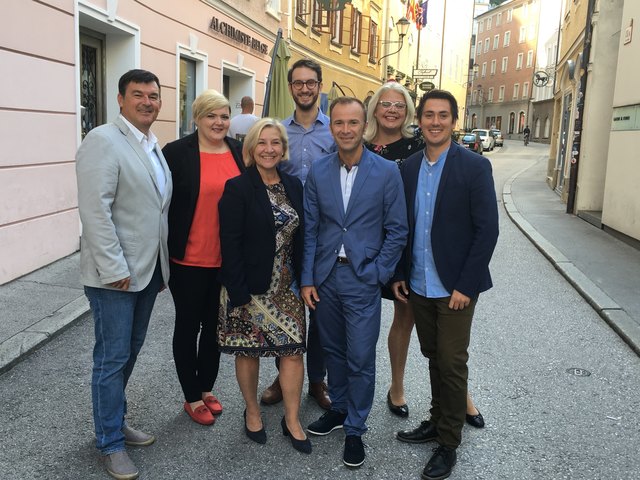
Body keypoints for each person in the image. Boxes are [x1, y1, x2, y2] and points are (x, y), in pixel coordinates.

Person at [391, 90, 499, 480]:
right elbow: (403, 227)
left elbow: (487, 230)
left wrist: (466, 285)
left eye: (443, 115)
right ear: (419, 120)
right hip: (418, 283)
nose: (435, 122)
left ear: (454, 121)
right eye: (428, 115)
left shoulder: (473, 167)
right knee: (434, 355)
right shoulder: (409, 167)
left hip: (456, 287)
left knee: (452, 362)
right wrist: (400, 274)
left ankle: (449, 443)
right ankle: (437, 420)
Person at [364, 82, 485, 427]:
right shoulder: (359, 144)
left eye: (399, 105)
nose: (391, 110)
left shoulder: (421, 145)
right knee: (396, 325)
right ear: (374, 108)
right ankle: (398, 388)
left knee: (439, 340)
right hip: (378, 247)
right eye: (385, 104)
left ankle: (459, 398)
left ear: (408, 114)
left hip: (416, 251)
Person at [76, 69, 172, 480]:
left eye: (153, 96)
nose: (147, 102)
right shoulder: (102, 140)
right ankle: (110, 442)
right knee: (111, 358)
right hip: (115, 275)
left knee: (128, 353)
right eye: (138, 95)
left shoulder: (151, 144)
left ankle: (112, 421)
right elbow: (95, 211)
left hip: (149, 271)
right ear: (120, 99)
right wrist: (114, 268)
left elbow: (153, 207)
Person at [302, 97, 408, 468]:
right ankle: (340, 410)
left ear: (364, 127)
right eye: (338, 123)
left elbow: (397, 230)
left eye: (352, 123)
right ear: (331, 127)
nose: (345, 130)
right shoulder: (318, 171)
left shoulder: (385, 171)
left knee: (361, 355)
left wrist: (378, 273)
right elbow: (311, 229)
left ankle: (356, 429)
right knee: (333, 350)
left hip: (362, 277)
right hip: (326, 277)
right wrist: (307, 279)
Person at [217, 118, 311, 454]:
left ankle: (292, 418)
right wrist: (238, 291)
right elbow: (229, 243)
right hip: (248, 286)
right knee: (247, 351)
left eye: (275, 143)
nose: (269, 149)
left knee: (293, 351)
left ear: (283, 149)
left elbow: (303, 236)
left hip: (286, 287)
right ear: (251, 149)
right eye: (262, 143)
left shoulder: (294, 185)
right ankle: (253, 411)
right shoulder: (237, 188)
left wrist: (307, 279)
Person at [162, 90, 245, 426]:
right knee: (188, 326)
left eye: (224, 116)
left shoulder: (239, 151)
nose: (218, 122)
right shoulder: (176, 153)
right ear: (196, 118)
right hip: (188, 260)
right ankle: (191, 395)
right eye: (211, 115)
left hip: (226, 261)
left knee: (215, 329)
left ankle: (206, 387)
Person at [260, 59, 334, 411]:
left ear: (320, 85)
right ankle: (282, 375)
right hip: (284, 234)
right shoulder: (278, 132)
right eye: (298, 83)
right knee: (284, 306)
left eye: (311, 82)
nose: (305, 88)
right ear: (291, 88)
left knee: (318, 310)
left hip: (324, 233)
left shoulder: (334, 130)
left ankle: (316, 379)